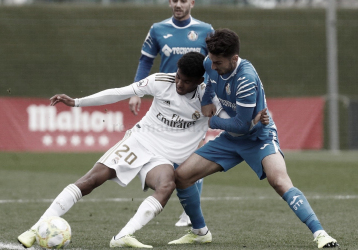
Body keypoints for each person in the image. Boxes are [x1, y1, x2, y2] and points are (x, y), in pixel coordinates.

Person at [17, 52, 268, 249]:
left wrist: (255, 120)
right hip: (139, 141)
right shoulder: (161, 81)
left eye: (186, 81)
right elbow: (119, 92)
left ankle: (123, 236)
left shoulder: (208, 100)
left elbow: (235, 121)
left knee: (167, 184)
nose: (179, 83)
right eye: (178, 76)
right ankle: (34, 228)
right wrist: (78, 102)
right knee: (92, 179)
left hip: (165, 159)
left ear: (200, 81)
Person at [168, 29, 339, 249]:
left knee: (279, 181)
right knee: (181, 176)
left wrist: (214, 122)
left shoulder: (246, 79)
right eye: (211, 60)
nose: (213, 66)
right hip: (231, 139)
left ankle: (321, 234)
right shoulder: (210, 64)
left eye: (218, 62)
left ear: (234, 59)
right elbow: (210, 82)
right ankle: (200, 232)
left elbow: (241, 126)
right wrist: (207, 100)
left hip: (259, 136)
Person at [129, 0, 214, 227]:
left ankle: (189, 212)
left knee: (194, 156)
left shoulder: (206, 31)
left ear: (192, 3)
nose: (178, 4)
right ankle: (154, 179)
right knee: (166, 156)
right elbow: (146, 60)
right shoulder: (158, 29)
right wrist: (137, 91)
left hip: (194, 105)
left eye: (183, 0)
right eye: (174, 0)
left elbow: (216, 65)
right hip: (165, 104)